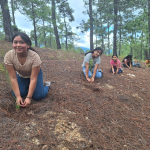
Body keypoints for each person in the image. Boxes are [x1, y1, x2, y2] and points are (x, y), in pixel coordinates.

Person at [4, 32, 51, 107]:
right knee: (16, 94)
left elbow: (33, 78)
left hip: (34, 75)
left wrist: (29, 97)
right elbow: (13, 77)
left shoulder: (34, 57)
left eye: (22, 42)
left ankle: (47, 86)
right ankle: (28, 85)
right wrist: (18, 96)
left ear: (28, 45)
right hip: (21, 75)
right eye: (15, 42)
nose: (18, 45)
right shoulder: (9, 56)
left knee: (38, 96)